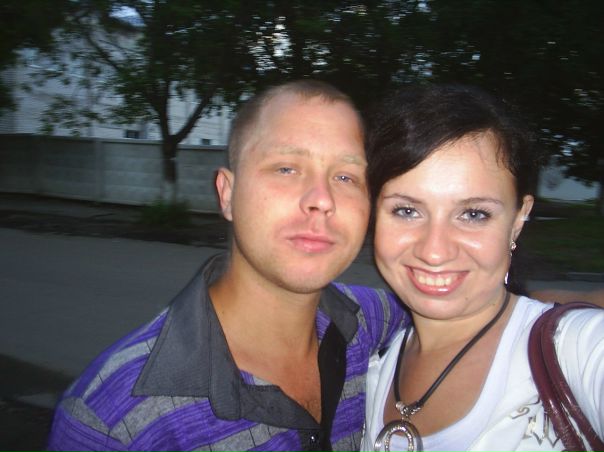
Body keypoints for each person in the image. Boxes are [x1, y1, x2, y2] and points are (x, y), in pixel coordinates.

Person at [47, 80, 407, 452]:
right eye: (286, 168)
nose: (322, 199)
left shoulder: (371, 320)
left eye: (346, 177)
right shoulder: (112, 422)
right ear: (227, 194)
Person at [360, 84, 604, 451]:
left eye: (474, 214)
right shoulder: (370, 365)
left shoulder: (576, 351)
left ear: (518, 219)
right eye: (407, 210)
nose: (435, 251)